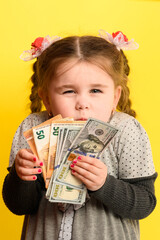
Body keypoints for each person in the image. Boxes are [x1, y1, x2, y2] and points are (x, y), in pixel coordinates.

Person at [2, 30, 157, 240]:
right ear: (46, 98)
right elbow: (19, 206)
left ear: (115, 96)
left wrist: (104, 184)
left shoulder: (127, 130)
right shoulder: (34, 127)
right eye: (69, 91)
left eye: (95, 91)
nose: (82, 103)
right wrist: (21, 178)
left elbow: (144, 204)